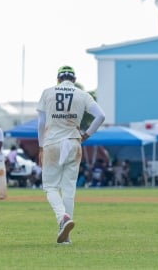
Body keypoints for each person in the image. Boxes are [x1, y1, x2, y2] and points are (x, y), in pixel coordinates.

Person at [37, 65, 105, 244]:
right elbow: (101, 116)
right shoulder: (82, 95)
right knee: (69, 189)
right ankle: (65, 237)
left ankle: (63, 218)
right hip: (74, 141)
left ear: (58, 78)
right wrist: (86, 135)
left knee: (50, 187)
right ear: (74, 79)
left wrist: (40, 147)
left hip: (52, 142)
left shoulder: (47, 92)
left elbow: (41, 122)